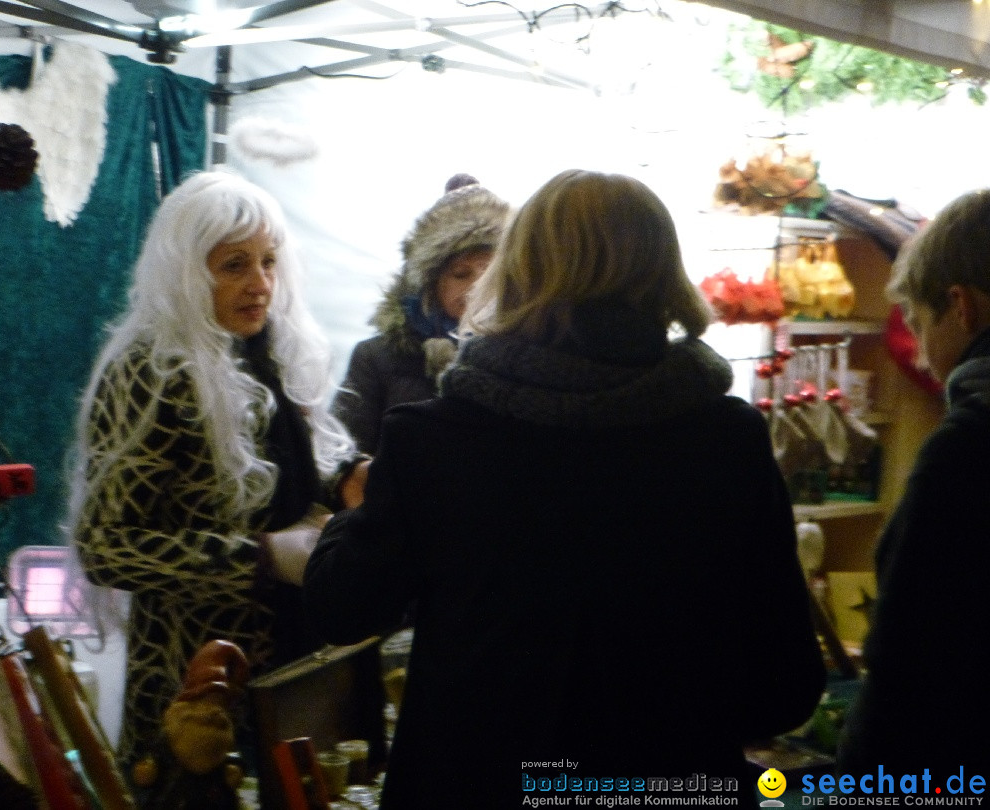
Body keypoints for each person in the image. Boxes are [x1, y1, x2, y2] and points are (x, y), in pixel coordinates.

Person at [304, 169, 825, 808]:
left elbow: (342, 607)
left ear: (516, 271)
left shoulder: (435, 439)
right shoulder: (728, 440)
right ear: (664, 275)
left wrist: (350, 512)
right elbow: (785, 685)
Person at [65, 170, 366, 770]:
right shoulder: (148, 371)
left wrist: (346, 478)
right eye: (234, 265)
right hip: (196, 691)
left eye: (269, 262)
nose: (260, 284)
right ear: (186, 271)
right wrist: (261, 558)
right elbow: (105, 547)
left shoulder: (268, 350)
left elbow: (278, 471)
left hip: (292, 665)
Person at [838, 189, 990, 777]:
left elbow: (907, 674)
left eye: (922, 324)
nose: (924, 358)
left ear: (962, 307)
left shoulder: (967, 449)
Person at [332, 173, 510, 454]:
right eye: (460, 275)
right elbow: (339, 451)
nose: (477, 287)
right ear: (431, 286)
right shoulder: (376, 359)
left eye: (490, 273)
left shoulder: (526, 357)